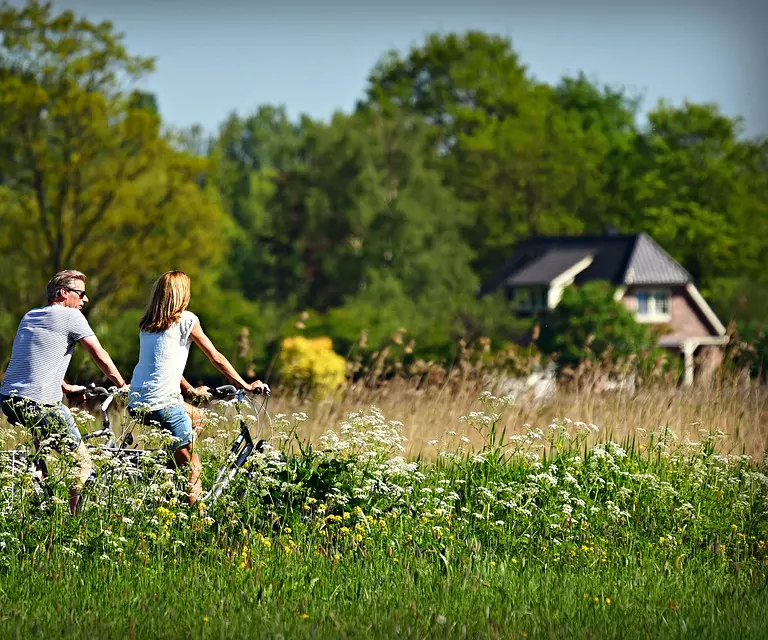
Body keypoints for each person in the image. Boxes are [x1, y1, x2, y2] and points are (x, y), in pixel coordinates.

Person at [128, 270, 267, 505]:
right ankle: (197, 524)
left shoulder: (147, 325)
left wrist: (190, 390)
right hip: (164, 403)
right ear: (182, 295)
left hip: (137, 401)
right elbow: (216, 357)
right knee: (194, 467)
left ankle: (170, 476)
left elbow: (163, 364)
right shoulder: (187, 320)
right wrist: (245, 385)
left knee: (198, 416)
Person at [0, 270, 128, 514]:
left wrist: (66, 386)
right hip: (39, 402)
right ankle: (72, 523)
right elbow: (100, 355)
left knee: (41, 456)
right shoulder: (71, 317)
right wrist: (122, 385)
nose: (85, 300)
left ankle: (36, 504)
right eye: (80, 294)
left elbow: (36, 360)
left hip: (9, 398)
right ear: (63, 294)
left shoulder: (30, 315)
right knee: (82, 464)